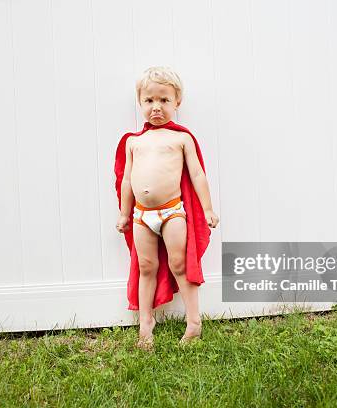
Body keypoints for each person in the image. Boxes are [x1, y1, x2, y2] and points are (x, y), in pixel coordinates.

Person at [114, 66, 219, 350]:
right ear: (140, 102)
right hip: (141, 216)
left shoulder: (181, 139)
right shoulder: (134, 142)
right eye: (149, 101)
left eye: (164, 100)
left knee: (179, 263)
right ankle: (145, 322)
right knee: (146, 266)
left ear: (177, 102)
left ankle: (194, 321)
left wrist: (207, 209)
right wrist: (125, 213)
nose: (156, 107)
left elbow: (197, 175)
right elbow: (126, 179)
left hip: (173, 212)